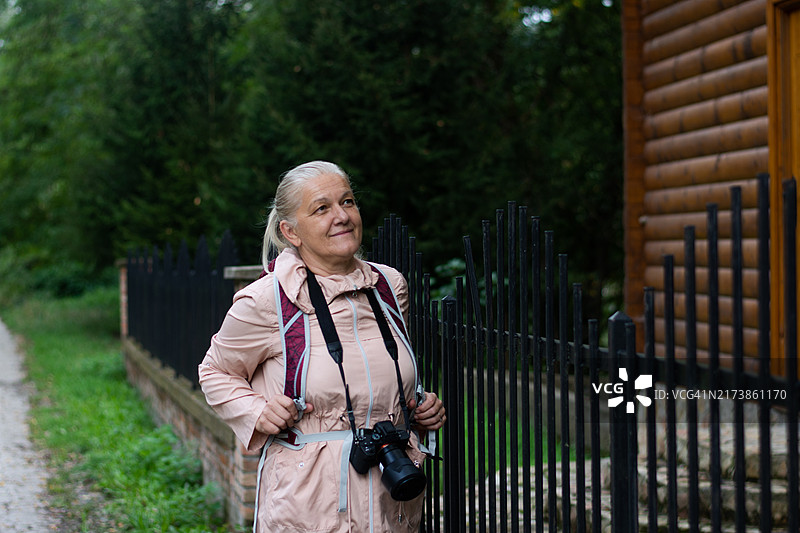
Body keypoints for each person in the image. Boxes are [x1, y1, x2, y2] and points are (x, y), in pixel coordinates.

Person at [198, 160, 446, 533]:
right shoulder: (268, 301)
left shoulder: (389, 288)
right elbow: (214, 371)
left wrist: (422, 408)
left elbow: (384, 376)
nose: (341, 216)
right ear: (290, 231)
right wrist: (256, 411)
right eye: (322, 208)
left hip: (392, 500)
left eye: (347, 202)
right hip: (309, 506)